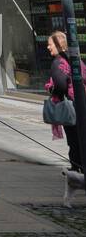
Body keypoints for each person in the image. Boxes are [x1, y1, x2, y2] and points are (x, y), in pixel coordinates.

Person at [46, 31, 80, 171]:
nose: (48, 47)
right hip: (80, 104)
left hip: (70, 107)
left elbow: (60, 85)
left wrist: (52, 90)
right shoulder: (74, 59)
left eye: (50, 44)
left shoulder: (58, 62)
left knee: (74, 140)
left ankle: (77, 168)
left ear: (59, 45)